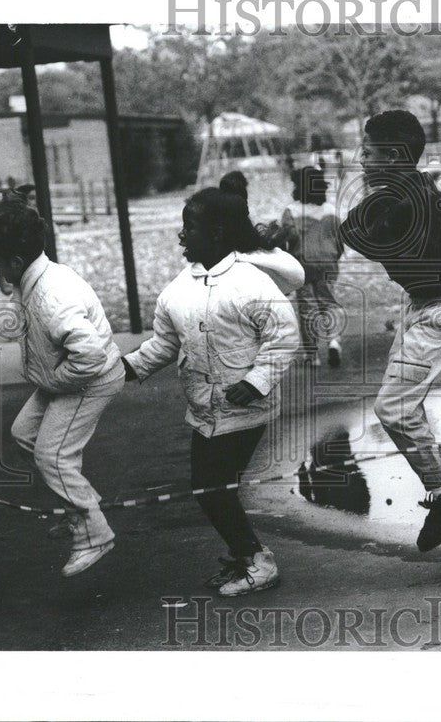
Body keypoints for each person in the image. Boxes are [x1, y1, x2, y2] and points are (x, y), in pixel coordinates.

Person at [122, 188, 304, 597]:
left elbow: (284, 337)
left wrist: (255, 382)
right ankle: (246, 557)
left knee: (211, 487)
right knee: (209, 489)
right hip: (204, 410)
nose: (182, 235)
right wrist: (126, 368)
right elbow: (164, 345)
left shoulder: (251, 282)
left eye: (191, 226)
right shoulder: (177, 290)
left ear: (218, 232)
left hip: (246, 409)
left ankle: (258, 561)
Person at [0, 198, 125, 577]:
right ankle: (84, 505)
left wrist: (52, 381)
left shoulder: (51, 295)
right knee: (23, 434)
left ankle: (94, 533)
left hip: (91, 379)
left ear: (15, 263)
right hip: (64, 375)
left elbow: (91, 356)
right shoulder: (37, 278)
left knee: (53, 456)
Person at [339, 109, 441, 552]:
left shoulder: (411, 198)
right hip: (420, 307)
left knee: (394, 408)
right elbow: (351, 230)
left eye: (370, 152)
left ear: (394, 156)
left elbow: (363, 235)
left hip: (440, 312)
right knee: (397, 406)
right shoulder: (399, 192)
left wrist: (365, 228)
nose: (361, 160)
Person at [280, 166, 345, 367]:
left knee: (307, 306)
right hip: (328, 262)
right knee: (328, 302)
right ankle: (333, 340)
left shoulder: (291, 211)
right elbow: (340, 240)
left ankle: (312, 354)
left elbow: (287, 238)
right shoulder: (331, 210)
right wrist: (334, 257)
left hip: (302, 264)